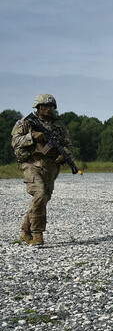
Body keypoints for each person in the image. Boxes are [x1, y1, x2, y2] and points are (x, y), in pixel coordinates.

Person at [11, 94, 74, 246]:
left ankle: (25, 231)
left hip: (50, 165)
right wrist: (32, 137)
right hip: (31, 162)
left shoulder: (58, 126)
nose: (47, 109)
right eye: (44, 107)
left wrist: (63, 156)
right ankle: (37, 234)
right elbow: (15, 141)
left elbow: (69, 145)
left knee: (43, 198)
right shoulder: (26, 122)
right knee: (39, 193)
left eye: (50, 107)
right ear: (38, 107)